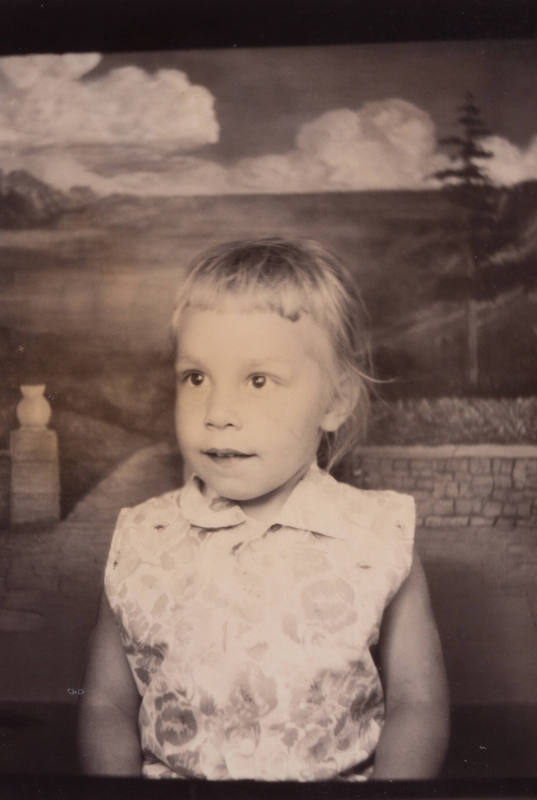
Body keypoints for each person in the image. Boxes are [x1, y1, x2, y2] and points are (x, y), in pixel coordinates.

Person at [77, 237, 449, 781]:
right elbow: (106, 705)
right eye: (196, 377)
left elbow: (418, 703)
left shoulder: (378, 540)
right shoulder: (141, 539)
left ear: (337, 399)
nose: (218, 412)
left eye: (258, 380)